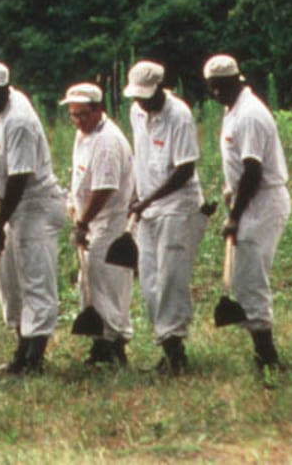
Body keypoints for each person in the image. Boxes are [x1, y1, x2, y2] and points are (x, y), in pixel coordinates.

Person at [0, 59, 68, 375]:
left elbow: (20, 176)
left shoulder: (19, 120)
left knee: (36, 282)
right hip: (15, 209)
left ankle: (34, 360)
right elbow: (4, 168)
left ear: (3, 90)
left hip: (36, 207)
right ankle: (21, 352)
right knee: (12, 285)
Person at [205, 54, 291, 371]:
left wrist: (234, 216)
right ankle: (261, 350)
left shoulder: (250, 114)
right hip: (247, 199)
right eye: (211, 88)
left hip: (263, 201)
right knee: (244, 278)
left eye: (217, 87)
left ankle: (268, 358)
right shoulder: (233, 110)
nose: (213, 94)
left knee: (253, 278)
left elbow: (253, 171)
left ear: (228, 83)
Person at [123, 60, 206, 375]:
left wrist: (147, 200)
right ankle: (167, 345)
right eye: (137, 96)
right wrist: (136, 197)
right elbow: (140, 157)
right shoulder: (136, 112)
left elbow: (185, 169)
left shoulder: (179, 116)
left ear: (160, 87)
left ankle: (175, 352)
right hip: (148, 208)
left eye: (146, 95)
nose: (141, 101)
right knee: (149, 279)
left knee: (171, 280)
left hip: (178, 206)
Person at [63, 82, 135, 367]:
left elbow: (104, 189)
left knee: (108, 283)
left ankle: (115, 344)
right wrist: (73, 206)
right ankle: (99, 344)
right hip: (92, 222)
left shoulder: (107, 141)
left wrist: (83, 222)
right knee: (90, 281)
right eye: (73, 115)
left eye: (83, 115)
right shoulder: (83, 135)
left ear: (98, 110)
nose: (78, 121)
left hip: (110, 222)